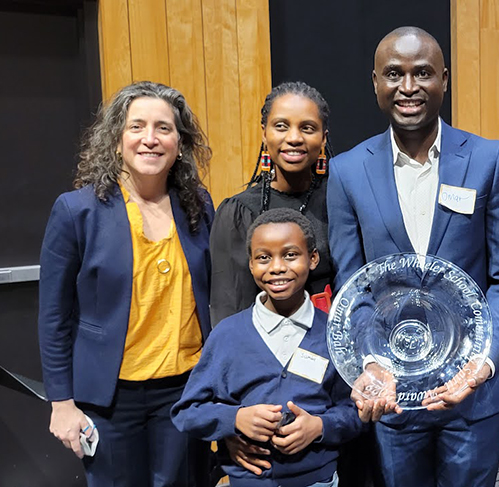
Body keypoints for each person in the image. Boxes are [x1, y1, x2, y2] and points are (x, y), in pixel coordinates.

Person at [326, 26, 499, 487]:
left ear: (445, 79)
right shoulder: (347, 171)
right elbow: (353, 282)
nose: (409, 87)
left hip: (473, 394)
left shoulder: (488, 159)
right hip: (394, 389)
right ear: (375, 82)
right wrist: (371, 361)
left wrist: (484, 360)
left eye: (423, 73)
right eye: (394, 74)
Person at [38, 81, 214, 486]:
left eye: (163, 128)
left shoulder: (199, 206)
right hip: (109, 400)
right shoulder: (76, 211)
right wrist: (61, 403)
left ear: (180, 143)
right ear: (117, 140)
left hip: (185, 391)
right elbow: (53, 318)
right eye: (136, 127)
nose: (149, 139)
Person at [172, 208, 362, 487]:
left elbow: (355, 410)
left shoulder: (334, 334)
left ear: (313, 259)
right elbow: (187, 412)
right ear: (250, 264)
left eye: (290, 255)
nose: (276, 267)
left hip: (317, 481)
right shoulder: (228, 335)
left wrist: (320, 427)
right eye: (263, 258)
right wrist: (234, 418)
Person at [210, 81, 334, 325]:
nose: (294, 138)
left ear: (323, 138)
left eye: (307, 128)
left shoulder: (340, 201)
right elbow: (229, 310)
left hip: (333, 347)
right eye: (281, 126)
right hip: (263, 354)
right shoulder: (239, 213)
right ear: (264, 133)